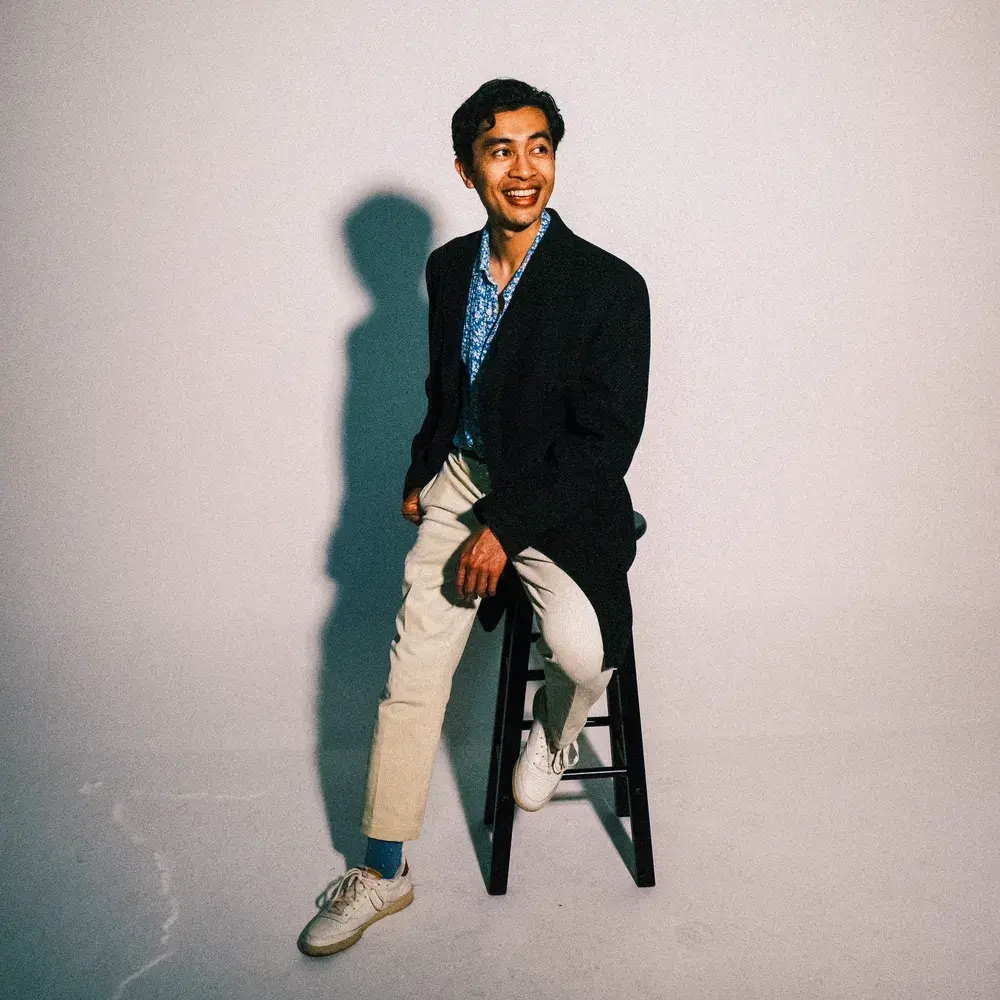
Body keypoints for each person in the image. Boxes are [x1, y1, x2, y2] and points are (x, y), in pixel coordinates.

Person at [298, 78, 650, 957]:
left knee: (581, 653)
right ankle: (382, 870)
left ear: (555, 159)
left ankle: (554, 736)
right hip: (464, 481)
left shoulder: (610, 288)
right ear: (467, 169)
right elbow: (447, 386)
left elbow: (603, 445)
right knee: (413, 667)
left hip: (561, 496)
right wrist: (427, 469)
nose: (524, 169)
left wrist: (504, 529)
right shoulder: (450, 268)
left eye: (540, 148)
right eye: (501, 151)